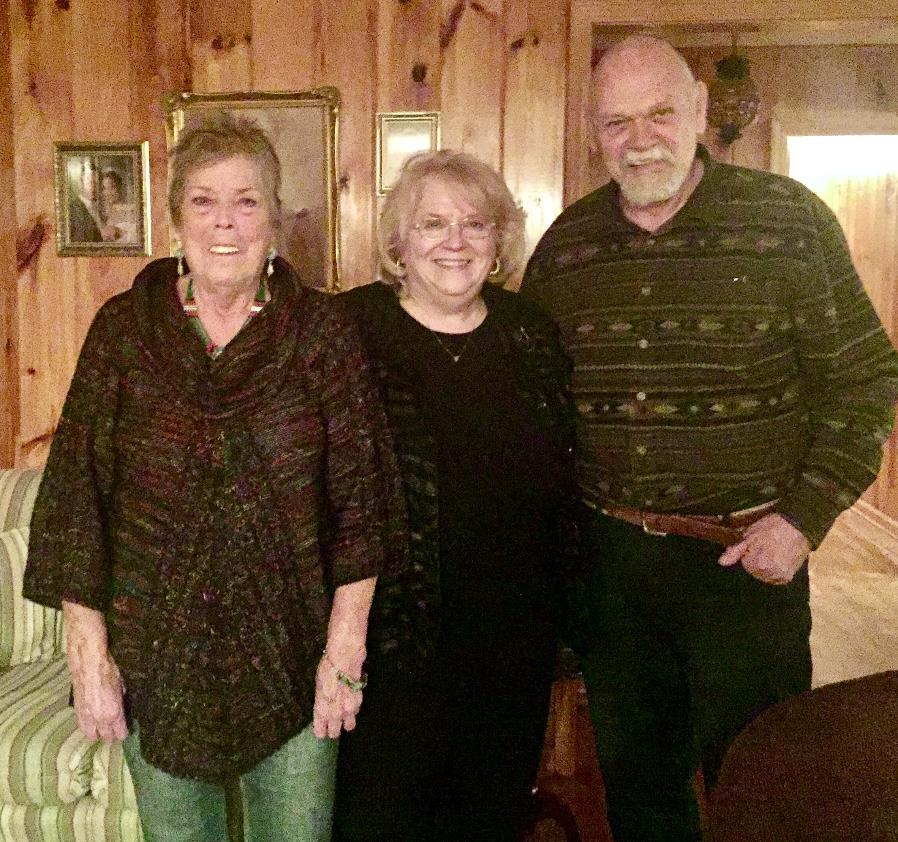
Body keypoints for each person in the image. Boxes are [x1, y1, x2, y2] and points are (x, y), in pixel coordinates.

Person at [522, 34, 898, 842]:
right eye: (617, 122)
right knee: (638, 783)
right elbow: (537, 410)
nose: (640, 138)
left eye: (660, 113)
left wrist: (802, 519)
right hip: (614, 569)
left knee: (760, 781)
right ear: (595, 133)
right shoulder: (566, 249)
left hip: (749, 563)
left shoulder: (789, 223)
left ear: (698, 110)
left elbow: (866, 378)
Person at [24, 112, 402, 842]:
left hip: (292, 657)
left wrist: (344, 654)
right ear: (175, 223)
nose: (224, 222)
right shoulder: (123, 334)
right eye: (203, 200)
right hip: (155, 665)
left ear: (274, 222)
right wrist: (89, 656)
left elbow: (363, 503)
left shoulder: (321, 335)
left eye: (246, 200)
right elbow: (78, 500)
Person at [333, 150, 578, 841]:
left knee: (492, 817)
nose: (455, 241)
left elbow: (562, 479)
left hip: (512, 644)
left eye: (475, 224)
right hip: (390, 645)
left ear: (498, 241)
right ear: (398, 244)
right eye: (433, 223)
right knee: (381, 819)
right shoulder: (351, 333)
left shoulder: (531, 335)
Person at [99, 168, 138, 244]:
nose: (108, 192)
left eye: (112, 187)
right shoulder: (103, 213)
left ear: (120, 188)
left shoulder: (132, 209)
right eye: (105, 188)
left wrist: (120, 232)